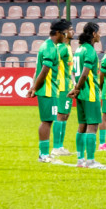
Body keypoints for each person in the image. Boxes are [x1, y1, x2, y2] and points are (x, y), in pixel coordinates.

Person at [30, 19, 72, 163]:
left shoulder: (49, 46)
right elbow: (45, 69)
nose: (66, 35)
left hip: (50, 89)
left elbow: (40, 69)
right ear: (59, 33)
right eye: (65, 32)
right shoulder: (50, 48)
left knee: (49, 121)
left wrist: (33, 86)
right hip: (47, 90)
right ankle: (43, 155)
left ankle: (45, 154)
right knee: (46, 122)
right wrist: (35, 87)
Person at [68, 22, 106, 169]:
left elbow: (73, 72)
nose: (100, 35)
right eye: (99, 32)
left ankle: (80, 160)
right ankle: (90, 161)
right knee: (93, 125)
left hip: (81, 94)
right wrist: (77, 88)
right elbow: (85, 72)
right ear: (93, 34)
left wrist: (75, 87)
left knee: (82, 126)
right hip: (90, 92)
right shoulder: (90, 50)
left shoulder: (78, 50)